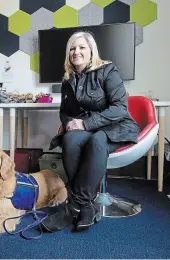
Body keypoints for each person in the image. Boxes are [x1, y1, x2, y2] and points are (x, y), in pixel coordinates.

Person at [42, 32, 140, 232]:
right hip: (86, 127)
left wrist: (86, 124)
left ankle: (73, 206)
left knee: (97, 140)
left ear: (91, 50)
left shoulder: (107, 70)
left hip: (115, 126)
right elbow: (65, 112)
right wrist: (70, 123)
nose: (76, 52)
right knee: (69, 139)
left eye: (81, 47)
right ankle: (87, 206)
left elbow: (120, 108)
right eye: (72, 48)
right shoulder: (67, 79)